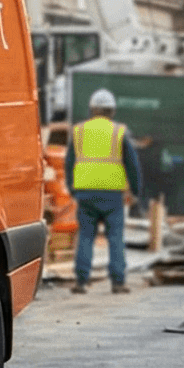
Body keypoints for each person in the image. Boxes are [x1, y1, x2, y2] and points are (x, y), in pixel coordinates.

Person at [66, 86, 144, 295]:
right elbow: (132, 164)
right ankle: (118, 283)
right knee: (115, 238)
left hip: (85, 193)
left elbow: (69, 162)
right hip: (112, 194)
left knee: (86, 237)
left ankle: (81, 282)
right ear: (112, 111)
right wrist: (136, 191)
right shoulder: (120, 132)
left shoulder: (79, 131)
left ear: (92, 109)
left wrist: (72, 189)